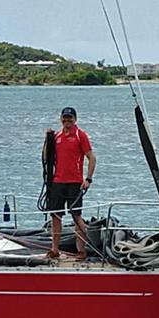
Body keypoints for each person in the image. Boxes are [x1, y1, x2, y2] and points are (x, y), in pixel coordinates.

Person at [46, 107, 97, 260]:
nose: (67, 121)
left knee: (76, 215)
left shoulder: (80, 135)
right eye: (64, 118)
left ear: (75, 119)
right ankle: (54, 250)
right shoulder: (57, 136)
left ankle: (82, 250)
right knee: (55, 216)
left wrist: (88, 178)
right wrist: (47, 139)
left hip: (75, 182)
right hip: (57, 182)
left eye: (70, 118)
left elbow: (92, 158)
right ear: (61, 119)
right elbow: (47, 157)